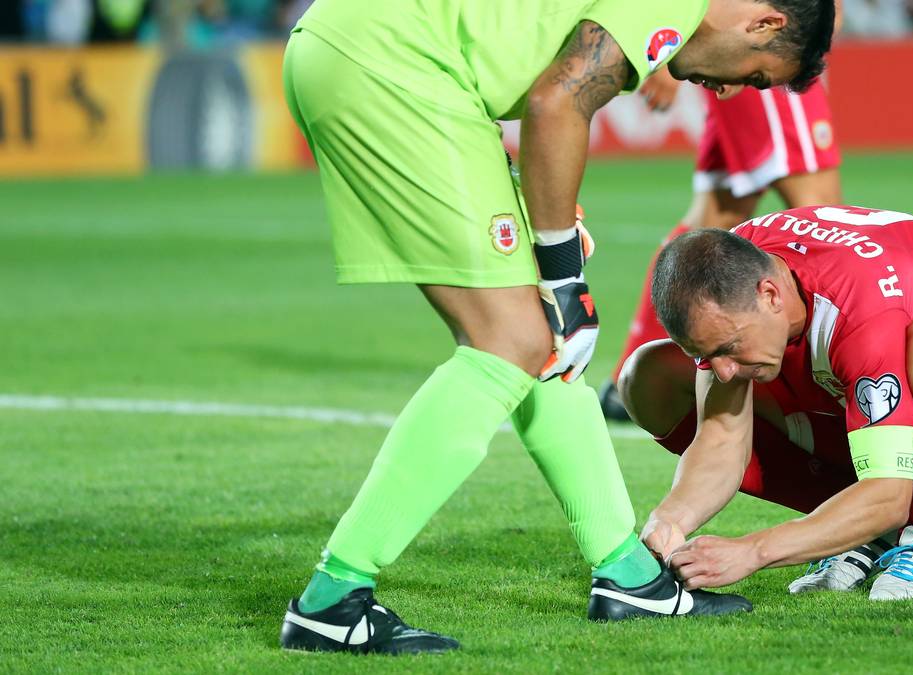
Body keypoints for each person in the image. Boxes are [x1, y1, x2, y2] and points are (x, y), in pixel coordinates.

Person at [278, 0, 836, 656]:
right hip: (396, 63)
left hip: (383, 54)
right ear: (765, 23)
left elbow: (547, 91)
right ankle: (333, 598)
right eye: (757, 76)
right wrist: (565, 277)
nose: (731, 90)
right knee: (512, 338)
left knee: (541, 341)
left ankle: (627, 573)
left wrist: (551, 232)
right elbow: (556, 103)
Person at [619, 206, 913, 601]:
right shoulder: (734, 272)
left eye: (729, 347)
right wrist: (668, 520)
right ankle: (859, 531)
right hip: (852, 391)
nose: (724, 371)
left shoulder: (858, 308)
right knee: (648, 375)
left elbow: (890, 493)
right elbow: (720, 440)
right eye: (706, 354)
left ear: (771, 296)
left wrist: (754, 551)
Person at [598, 49, 843, 420]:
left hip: (762, 48)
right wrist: (666, 56)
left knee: (712, 218)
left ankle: (631, 379)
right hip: (768, 54)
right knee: (820, 218)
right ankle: (827, 378)